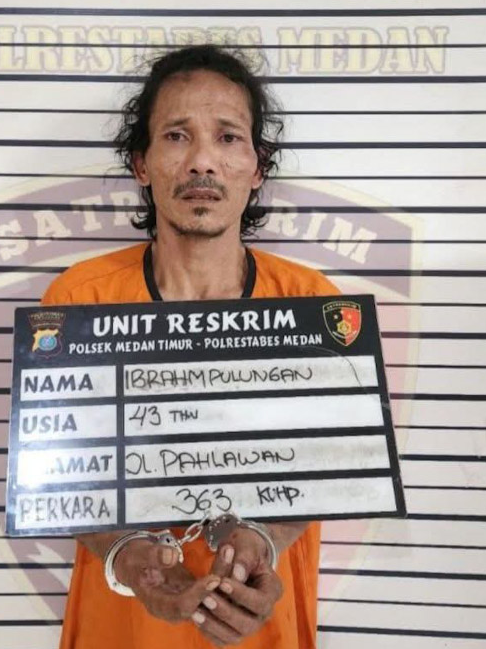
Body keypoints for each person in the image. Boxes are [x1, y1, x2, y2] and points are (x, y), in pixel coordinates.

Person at [41, 44, 339, 648]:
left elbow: (333, 467)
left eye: (228, 137)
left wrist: (266, 537)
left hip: (262, 626)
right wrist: (129, 557)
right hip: (121, 629)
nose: (203, 161)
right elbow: (59, 478)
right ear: (141, 163)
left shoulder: (313, 303)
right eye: (177, 136)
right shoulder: (79, 300)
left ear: (257, 167)